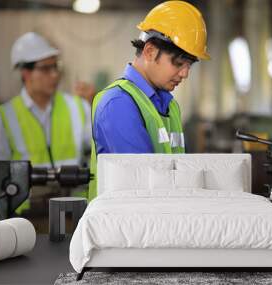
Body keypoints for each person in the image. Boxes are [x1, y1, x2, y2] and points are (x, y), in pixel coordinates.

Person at [88, 1, 211, 200]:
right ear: (150, 51)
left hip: (158, 218)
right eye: (179, 63)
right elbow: (141, 186)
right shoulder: (119, 104)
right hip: (123, 224)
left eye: (189, 65)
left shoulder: (170, 106)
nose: (185, 73)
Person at [0, 32, 92, 212]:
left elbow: (99, 148)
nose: (54, 75)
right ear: (26, 73)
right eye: (45, 68)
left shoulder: (78, 107)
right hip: (26, 216)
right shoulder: (4, 118)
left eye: (55, 67)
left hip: (74, 213)